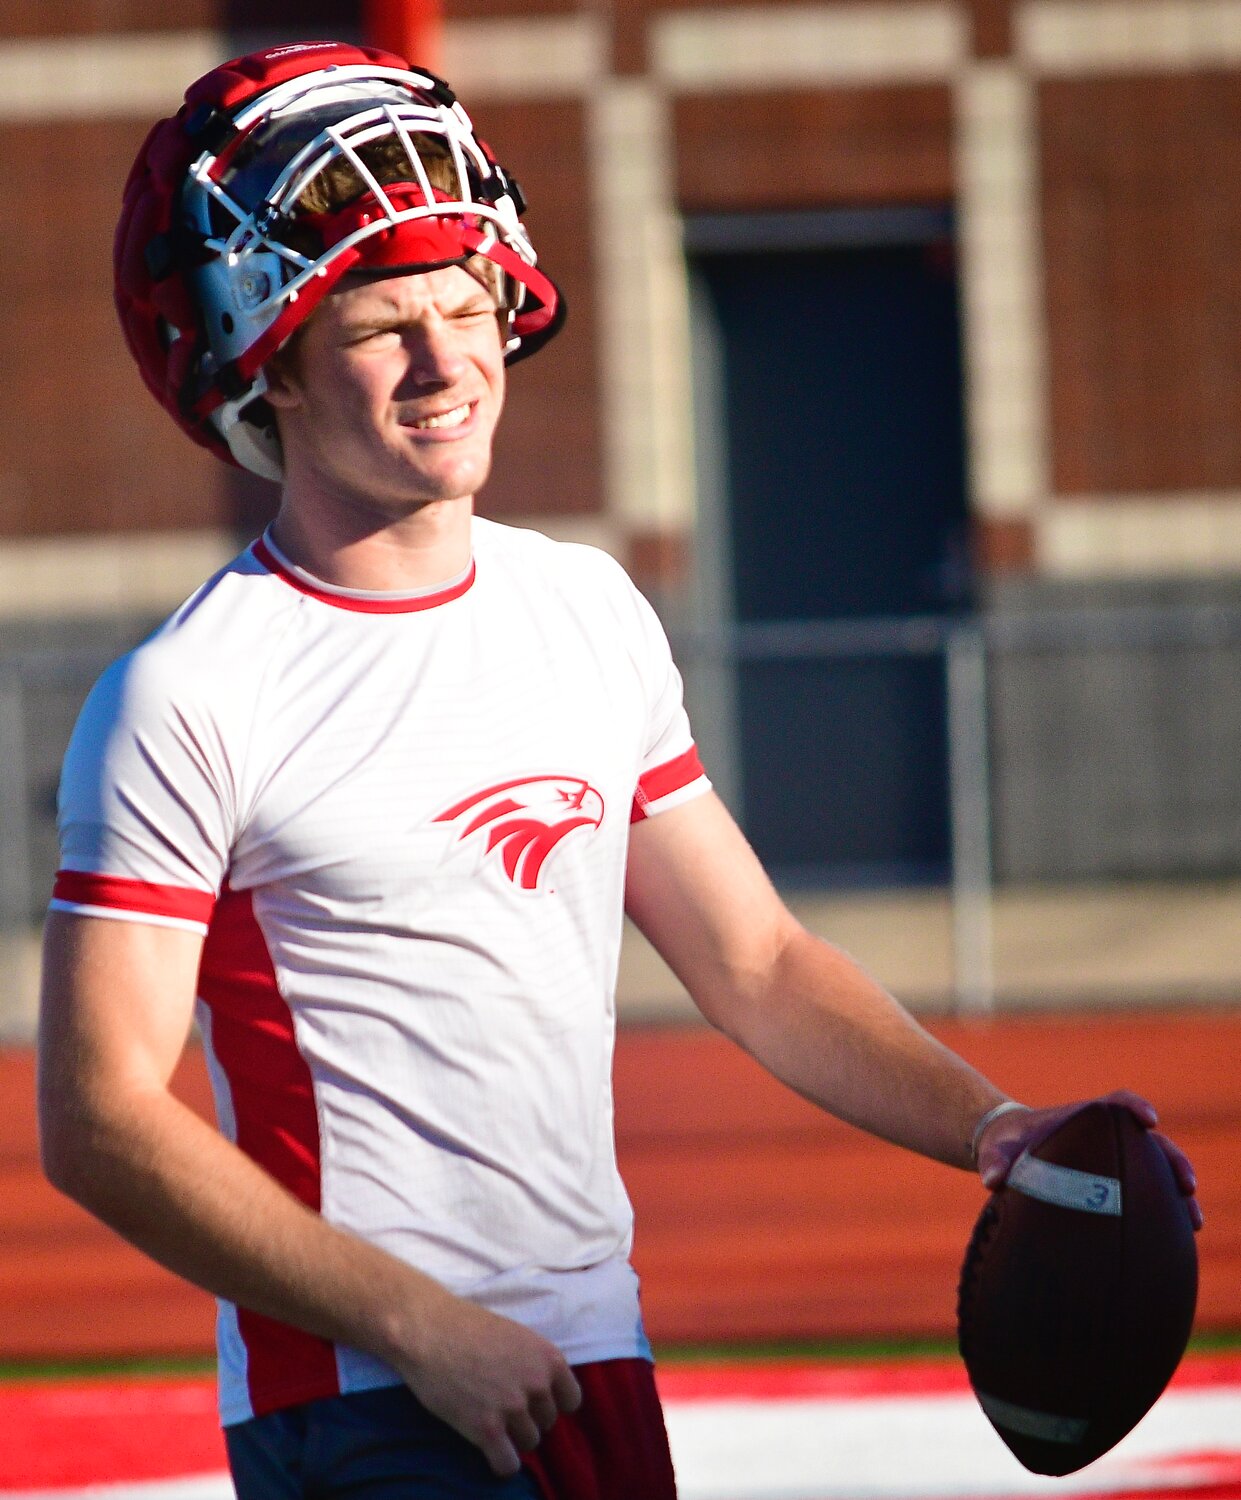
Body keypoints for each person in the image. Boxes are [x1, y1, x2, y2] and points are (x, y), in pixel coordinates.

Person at [38, 41, 1200, 1500]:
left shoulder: (581, 610)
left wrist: (989, 1127)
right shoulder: (190, 690)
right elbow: (98, 1117)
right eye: (382, 324)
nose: (445, 360)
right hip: (368, 1401)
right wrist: (422, 1327)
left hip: (593, 1364)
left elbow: (760, 961)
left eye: (466, 306)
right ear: (262, 359)